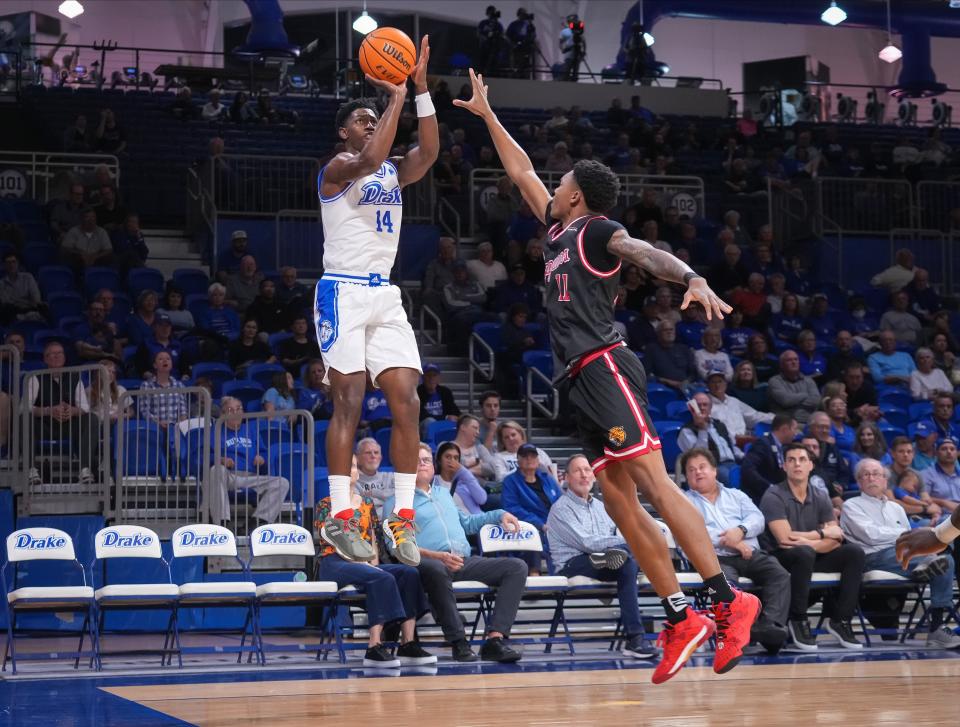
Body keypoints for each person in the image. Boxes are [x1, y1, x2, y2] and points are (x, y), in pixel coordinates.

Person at [454, 68, 760, 684]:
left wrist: (692, 278)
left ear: (577, 195)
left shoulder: (595, 231)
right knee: (620, 505)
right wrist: (488, 115)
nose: (554, 181)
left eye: (562, 179)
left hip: (603, 365)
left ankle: (729, 599)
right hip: (577, 381)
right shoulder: (558, 227)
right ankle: (681, 614)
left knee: (651, 482)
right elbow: (519, 172)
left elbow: (644, 253)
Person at [314, 36, 437, 568]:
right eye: (360, 118)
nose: (369, 123)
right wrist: (392, 100)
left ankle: (402, 516)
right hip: (341, 290)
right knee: (349, 402)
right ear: (344, 130)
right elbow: (371, 155)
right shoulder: (337, 167)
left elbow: (428, 153)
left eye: (373, 116)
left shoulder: (392, 171)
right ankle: (342, 516)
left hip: (384, 292)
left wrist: (421, 90)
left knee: (407, 401)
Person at [386, 443, 525, 663]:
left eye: (426, 460)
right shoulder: (396, 502)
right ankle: (459, 642)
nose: (423, 464)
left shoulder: (443, 494)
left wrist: (499, 514)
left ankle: (495, 640)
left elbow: (468, 523)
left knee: (516, 567)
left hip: (462, 560)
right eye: (417, 459)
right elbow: (396, 546)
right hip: (427, 564)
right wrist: (437, 556)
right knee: (436, 570)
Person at [315, 455, 435, 668]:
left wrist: (373, 565)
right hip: (333, 561)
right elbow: (333, 538)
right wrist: (369, 569)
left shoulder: (367, 504)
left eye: (351, 466)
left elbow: (372, 541)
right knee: (380, 577)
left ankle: (408, 643)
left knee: (408, 573)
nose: (348, 470)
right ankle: (374, 647)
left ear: (357, 473)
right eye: (343, 467)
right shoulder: (325, 505)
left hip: (362, 561)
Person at [841, 458, 960, 648]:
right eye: (866, 474)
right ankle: (927, 563)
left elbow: (909, 541)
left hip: (902, 556)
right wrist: (910, 535)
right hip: (873, 557)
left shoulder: (896, 507)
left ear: (885, 480)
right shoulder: (851, 505)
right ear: (859, 481)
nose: (871, 477)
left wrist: (914, 538)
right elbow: (871, 536)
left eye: (876, 474)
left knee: (946, 560)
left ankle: (937, 627)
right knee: (937, 552)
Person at [546, 453, 655, 659]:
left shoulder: (602, 507)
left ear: (594, 476)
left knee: (626, 563)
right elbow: (586, 542)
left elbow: (615, 534)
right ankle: (636, 638)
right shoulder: (560, 509)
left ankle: (635, 639)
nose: (584, 475)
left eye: (587, 470)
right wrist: (631, 543)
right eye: (577, 471)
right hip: (572, 563)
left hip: (604, 559)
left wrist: (627, 545)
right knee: (628, 555)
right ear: (566, 478)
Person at [759, 442, 865, 651]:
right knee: (803, 553)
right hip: (781, 558)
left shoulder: (820, 494)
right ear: (784, 466)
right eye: (791, 460)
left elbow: (837, 539)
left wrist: (810, 541)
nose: (797, 464)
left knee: (854, 552)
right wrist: (821, 534)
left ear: (811, 465)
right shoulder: (773, 495)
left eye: (802, 460)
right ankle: (798, 620)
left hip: (810, 554)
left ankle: (840, 620)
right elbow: (785, 539)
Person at [682, 449, 790, 652]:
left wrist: (740, 531)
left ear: (714, 470)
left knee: (779, 574)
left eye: (702, 467)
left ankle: (768, 627)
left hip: (749, 553)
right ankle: (741, 632)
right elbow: (691, 532)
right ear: (687, 477)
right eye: (691, 470)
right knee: (725, 585)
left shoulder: (736, 495)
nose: (698, 472)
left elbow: (757, 519)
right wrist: (731, 541)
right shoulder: (683, 501)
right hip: (713, 559)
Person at [24, 342, 100, 486]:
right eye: (52, 354)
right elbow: (24, 407)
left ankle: (85, 469)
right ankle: (31, 469)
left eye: (60, 353)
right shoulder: (35, 377)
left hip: (68, 425)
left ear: (65, 358)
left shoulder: (74, 377)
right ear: (45, 359)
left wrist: (72, 411)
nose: (57, 356)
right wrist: (48, 410)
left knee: (91, 418)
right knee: (24, 418)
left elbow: (84, 407)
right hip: (43, 426)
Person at [208, 396, 290, 528]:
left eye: (239, 409)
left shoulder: (250, 429)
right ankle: (222, 522)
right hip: (229, 476)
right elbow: (205, 455)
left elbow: (263, 452)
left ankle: (258, 522)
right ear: (223, 414)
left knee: (282, 483)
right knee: (216, 470)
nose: (236, 412)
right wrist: (220, 460)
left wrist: (262, 458)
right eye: (231, 410)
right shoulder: (216, 430)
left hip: (251, 476)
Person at [500, 443, 562, 573]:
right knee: (532, 533)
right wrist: (540, 524)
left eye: (533, 456)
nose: (529, 459)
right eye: (525, 456)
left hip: (553, 525)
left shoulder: (547, 479)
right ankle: (534, 574)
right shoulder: (510, 481)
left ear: (538, 460)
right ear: (518, 460)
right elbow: (512, 508)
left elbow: (561, 502)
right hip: (529, 526)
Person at [677, 391, 744, 483]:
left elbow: (732, 447)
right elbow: (698, 456)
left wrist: (745, 457)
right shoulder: (686, 431)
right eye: (698, 405)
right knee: (730, 477)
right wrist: (702, 429)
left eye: (705, 405)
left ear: (710, 407)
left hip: (732, 463)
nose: (702, 408)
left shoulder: (720, 425)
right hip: (712, 467)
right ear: (692, 408)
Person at [741, 414, 798, 505]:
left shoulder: (783, 448)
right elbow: (748, 469)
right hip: (759, 496)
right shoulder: (762, 444)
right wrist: (769, 487)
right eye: (794, 429)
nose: (796, 433)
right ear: (784, 429)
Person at [706, 370, 774, 439]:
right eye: (713, 382)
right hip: (724, 443)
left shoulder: (734, 401)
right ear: (708, 385)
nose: (717, 385)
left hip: (745, 440)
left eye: (720, 381)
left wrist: (777, 418)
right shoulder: (705, 404)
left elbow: (754, 416)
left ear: (725, 384)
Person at [433, 441, 488, 515]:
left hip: (477, 521)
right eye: (448, 457)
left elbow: (482, 499)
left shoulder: (464, 479)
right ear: (439, 460)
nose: (452, 461)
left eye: (456, 458)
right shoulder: (433, 482)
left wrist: (463, 471)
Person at [768, 350, 821, 424]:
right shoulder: (775, 381)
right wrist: (805, 395)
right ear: (781, 364)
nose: (793, 362)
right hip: (786, 424)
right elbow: (786, 401)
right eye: (789, 360)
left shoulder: (808, 380)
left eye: (796, 359)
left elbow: (816, 401)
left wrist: (793, 401)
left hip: (809, 423)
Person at [643, 321, 696, 393]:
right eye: (665, 330)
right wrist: (668, 382)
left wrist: (686, 382)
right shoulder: (651, 349)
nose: (669, 332)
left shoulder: (683, 349)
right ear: (658, 333)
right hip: (662, 388)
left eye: (671, 329)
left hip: (686, 387)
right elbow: (647, 374)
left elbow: (693, 373)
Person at [138, 351, 188, 426]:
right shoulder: (146, 386)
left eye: (168, 359)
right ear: (155, 365)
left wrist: (180, 426)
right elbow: (144, 411)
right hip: (154, 428)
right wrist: (158, 423)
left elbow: (183, 411)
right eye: (161, 359)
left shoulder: (179, 385)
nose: (165, 361)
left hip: (175, 428)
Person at [60, 208, 113, 275]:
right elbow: (64, 248)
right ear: (81, 219)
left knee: (110, 258)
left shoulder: (101, 231)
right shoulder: (74, 231)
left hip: (97, 260)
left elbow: (109, 249)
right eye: (87, 217)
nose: (91, 220)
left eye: (93, 217)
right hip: (78, 261)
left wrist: (96, 256)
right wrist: (80, 253)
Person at [353, 438, 395, 516]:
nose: (373, 456)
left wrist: (374, 493)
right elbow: (360, 511)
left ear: (380, 457)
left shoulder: (390, 477)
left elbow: (402, 497)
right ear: (358, 458)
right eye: (368, 453)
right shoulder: (353, 482)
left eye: (376, 452)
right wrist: (388, 497)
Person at [417, 363, 461, 436]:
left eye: (434, 375)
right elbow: (421, 415)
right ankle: (430, 445)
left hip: (442, 423)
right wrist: (445, 417)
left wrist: (462, 418)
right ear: (423, 378)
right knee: (430, 422)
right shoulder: (418, 392)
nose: (431, 378)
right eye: (428, 375)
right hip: (423, 425)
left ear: (438, 378)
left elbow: (453, 409)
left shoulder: (445, 392)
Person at [0, 252, 43, 325]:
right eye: (8, 262)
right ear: (4, 265)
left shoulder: (28, 277)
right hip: (12, 313)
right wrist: (24, 303)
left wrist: (21, 304)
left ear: (18, 263)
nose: (11, 265)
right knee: (7, 310)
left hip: (30, 310)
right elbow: (6, 302)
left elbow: (36, 298)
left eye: (14, 262)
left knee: (41, 310)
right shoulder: (1, 283)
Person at [452, 414, 498, 482]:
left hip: (481, 487)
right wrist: (477, 462)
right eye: (475, 428)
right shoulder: (446, 446)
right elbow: (449, 468)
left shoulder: (480, 449)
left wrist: (469, 470)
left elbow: (493, 468)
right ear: (463, 427)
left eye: (479, 429)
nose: (478, 432)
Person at [922, 436, 960, 515]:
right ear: (936, 453)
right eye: (944, 449)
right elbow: (923, 498)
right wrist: (943, 502)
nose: (949, 452)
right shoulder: (927, 474)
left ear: (957, 453)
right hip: (941, 515)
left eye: (952, 449)